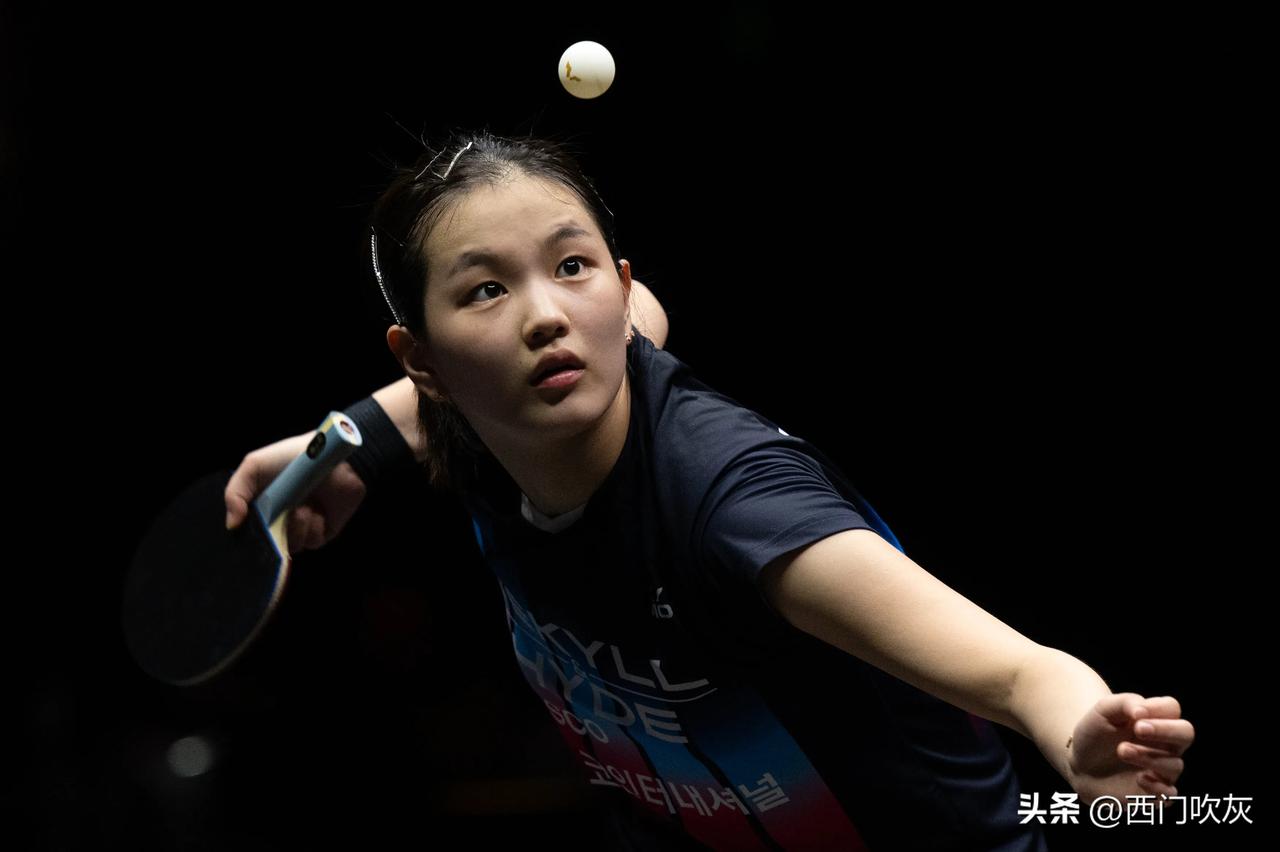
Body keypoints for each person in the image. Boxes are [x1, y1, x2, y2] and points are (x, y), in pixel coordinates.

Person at [223, 130, 1193, 850]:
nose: (546, 317)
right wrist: (345, 444)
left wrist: (1081, 732)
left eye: (572, 267)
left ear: (616, 284)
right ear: (421, 360)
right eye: (486, 289)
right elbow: (614, 319)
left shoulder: (733, 505)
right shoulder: (484, 417)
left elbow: (1020, 673)